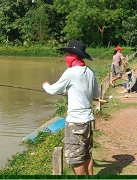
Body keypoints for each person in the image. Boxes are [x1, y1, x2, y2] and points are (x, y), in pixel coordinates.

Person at [42, 40, 99, 175]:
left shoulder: (71, 72)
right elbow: (96, 94)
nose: (66, 56)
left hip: (76, 122)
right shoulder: (90, 72)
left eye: (68, 54)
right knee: (87, 154)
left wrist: (45, 85)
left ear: (75, 56)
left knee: (75, 158)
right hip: (89, 120)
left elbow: (52, 90)